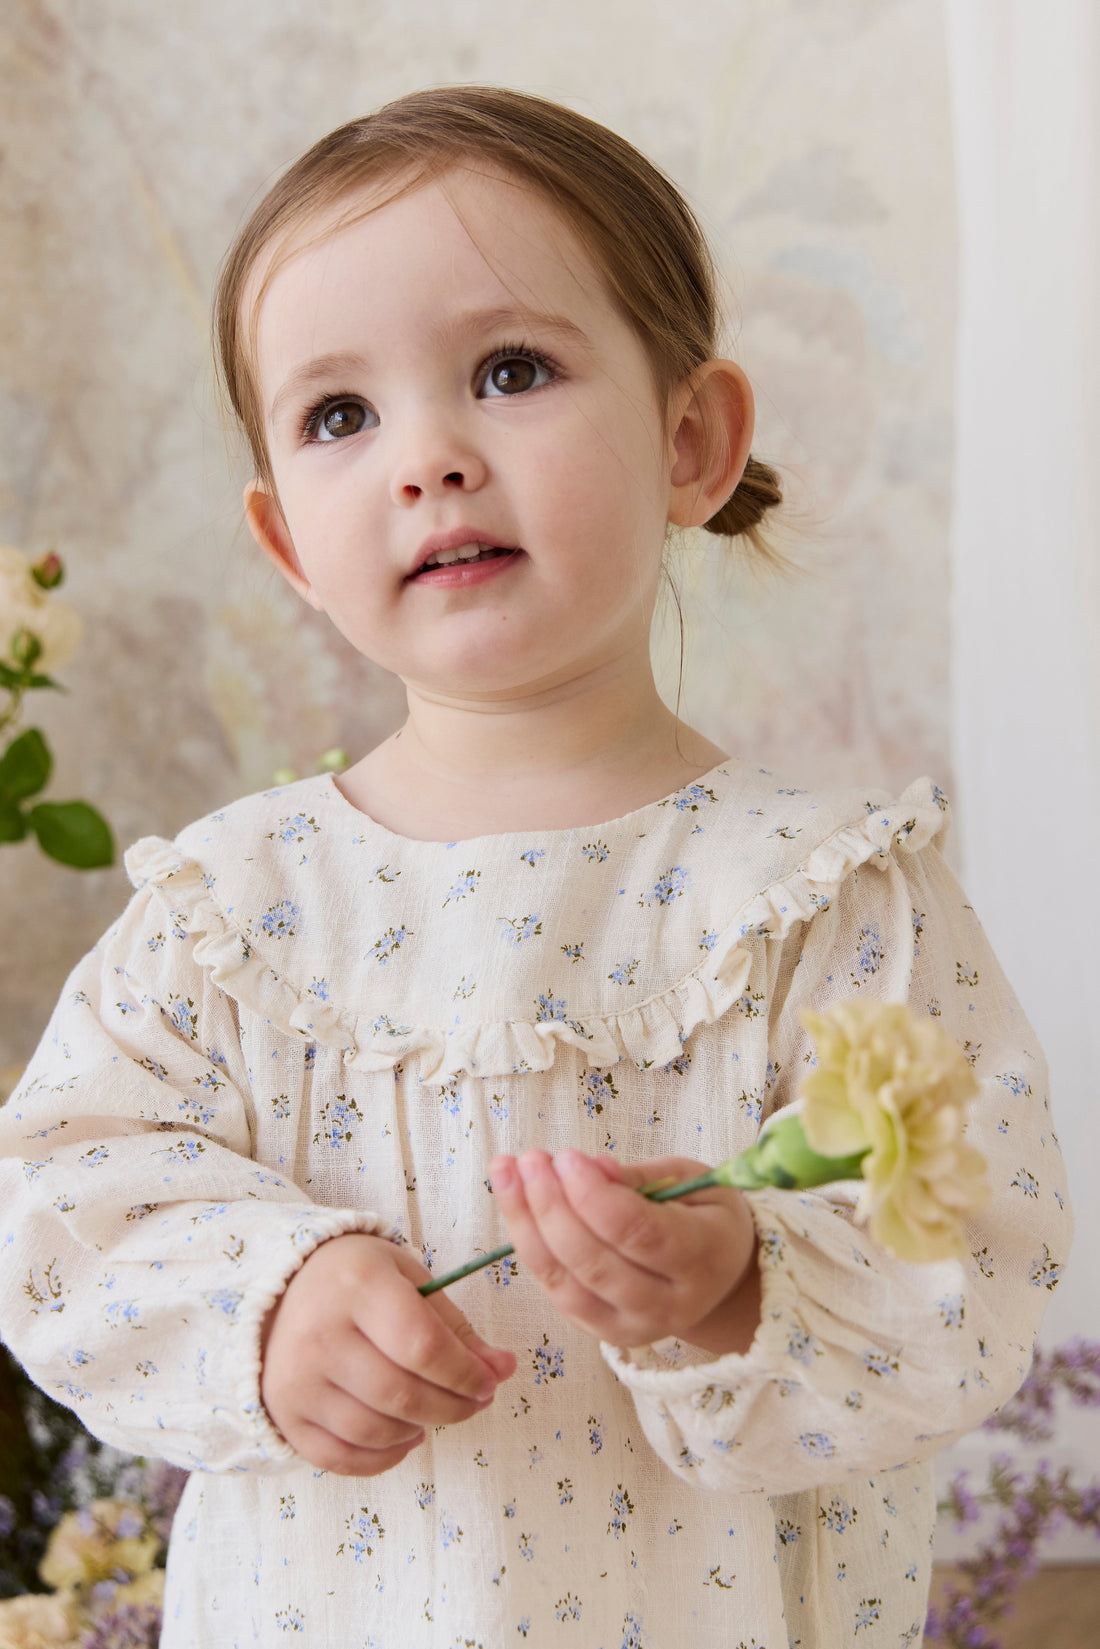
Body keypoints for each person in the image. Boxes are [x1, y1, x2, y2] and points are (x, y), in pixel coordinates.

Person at [0, 86, 1071, 1648]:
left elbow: (979, 1262)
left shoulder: (823, 895)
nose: (427, 457)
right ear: (290, 545)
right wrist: (269, 1300)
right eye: (340, 415)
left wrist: (739, 1279)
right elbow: (57, 1208)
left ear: (690, 441)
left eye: (510, 371)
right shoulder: (233, 918)